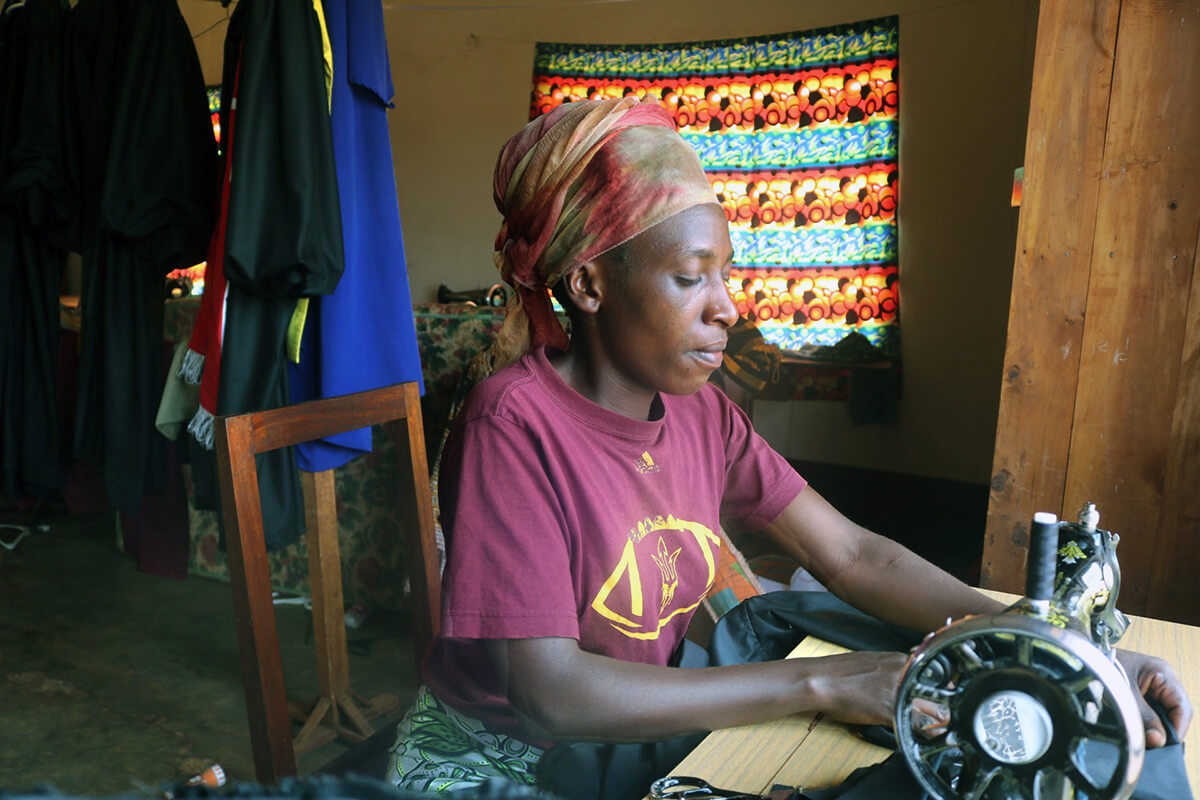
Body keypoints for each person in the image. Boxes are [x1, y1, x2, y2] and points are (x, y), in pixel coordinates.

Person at [386, 97, 1192, 796]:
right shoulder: (514, 423)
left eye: (726, 275)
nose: (728, 308)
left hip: (632, 732)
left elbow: (853, 557)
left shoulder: (698, 413)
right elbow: (549, 696)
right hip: (506, 761)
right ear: (589, 284)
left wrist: (1043, 644)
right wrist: (820, 681)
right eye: (691, 277)